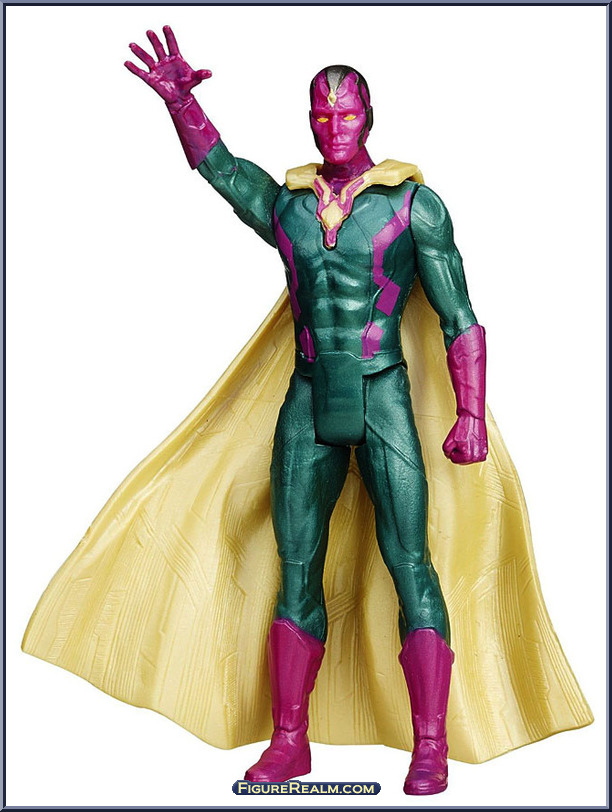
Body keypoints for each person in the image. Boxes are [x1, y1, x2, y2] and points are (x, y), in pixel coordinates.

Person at [125, 26, 487, 796]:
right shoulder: (289, 207)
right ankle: (291, 740)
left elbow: (460, 318)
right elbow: (224, 171)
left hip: (384, 392)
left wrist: (472, 413)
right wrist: (182, 104)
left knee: (410, 563)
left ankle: (431, 744)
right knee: (296, 571)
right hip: (309, 395)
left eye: (346, 111)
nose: (333, 124)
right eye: (321, 113)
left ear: (369, 115)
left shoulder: (413, 205)